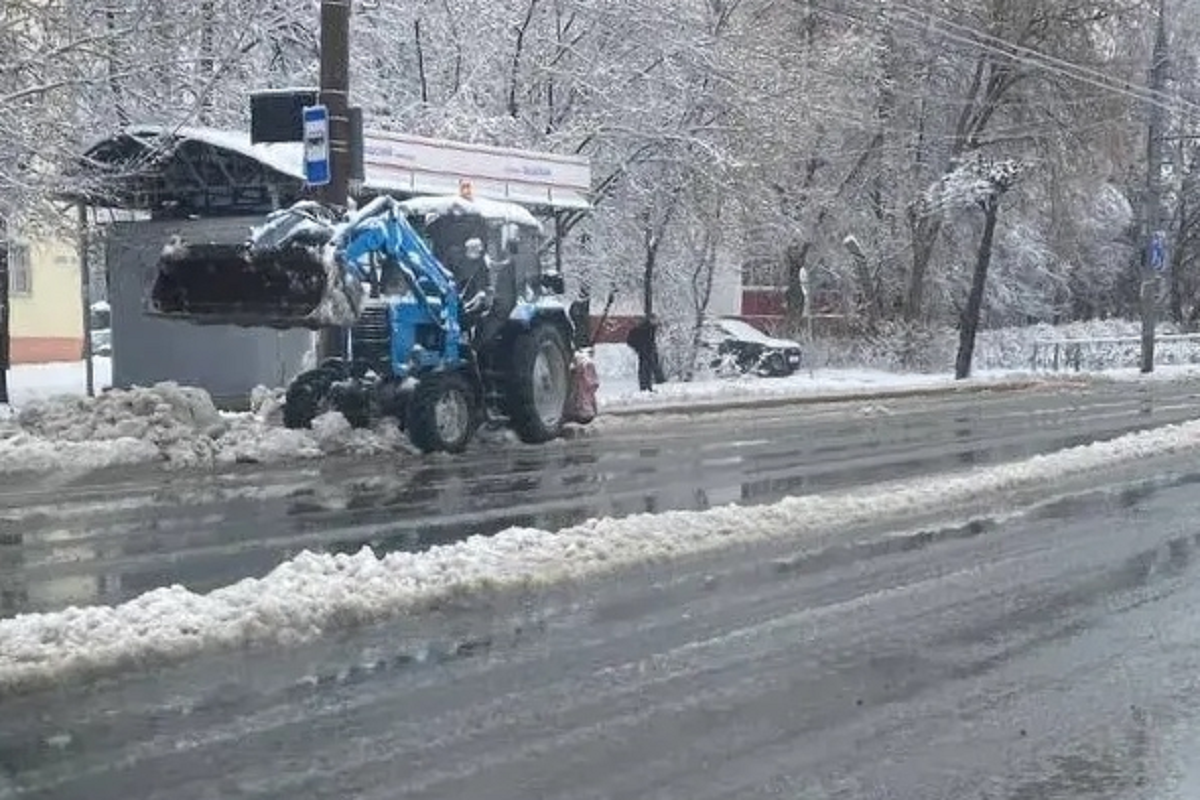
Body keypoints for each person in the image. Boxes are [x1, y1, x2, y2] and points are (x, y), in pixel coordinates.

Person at [626, 314, 662, 392]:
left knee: (647, 369)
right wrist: (639, 348)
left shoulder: (649, 328)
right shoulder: (645, 329)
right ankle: (645, 387)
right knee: (645, 369)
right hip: (645, 351)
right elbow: (631, 341)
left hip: (647, 351)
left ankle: (647, 386)